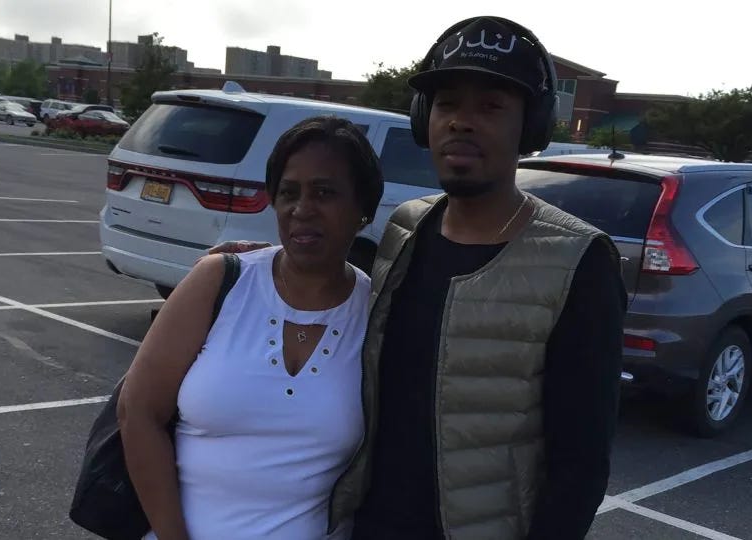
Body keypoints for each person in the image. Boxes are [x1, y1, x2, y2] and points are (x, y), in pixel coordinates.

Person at [210, 15, 626, 540]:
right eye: (447, 104)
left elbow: (580, 466)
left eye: (491, 106)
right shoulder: (406, 227)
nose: (461, 122)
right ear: (424, 118)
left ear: (532, 126)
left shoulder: (577, 260)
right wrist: (256, 264)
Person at [116, 116, 385, 540]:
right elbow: (138, 412)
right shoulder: (219, 281)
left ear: (364, 208)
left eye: (325, 193)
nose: (302, 209)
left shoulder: (375, 314)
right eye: (288, 193)